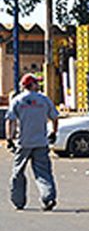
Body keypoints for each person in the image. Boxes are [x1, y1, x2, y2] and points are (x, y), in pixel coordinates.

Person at [6, 74, 59, 211]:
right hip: (41, 142)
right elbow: (54, 117)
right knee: (43, 173)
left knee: (18, 173)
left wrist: (9, 138)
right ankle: (48, 198)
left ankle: (18, 201)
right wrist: (53, 132)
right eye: (36, 83)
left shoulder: (17, 100)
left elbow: (10, 120)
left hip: (23, 143)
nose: (38, 85)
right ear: (31, 85)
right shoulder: (44, 99)